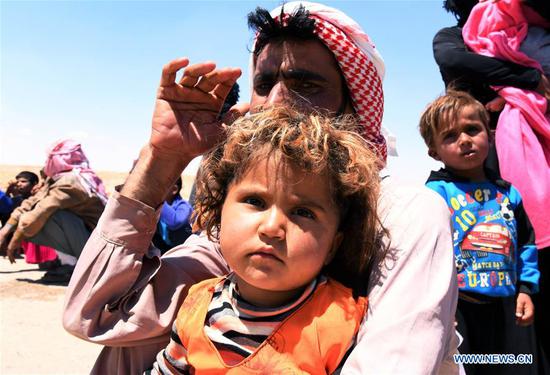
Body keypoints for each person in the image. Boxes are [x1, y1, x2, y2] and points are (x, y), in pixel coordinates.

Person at [63, 3, 458, 374]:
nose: (279, 100)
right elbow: (97, 315)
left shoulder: (404, 212)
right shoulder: (246, 222)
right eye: (265, 83)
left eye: (306, 84)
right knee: (134, 345)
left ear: (352, 106)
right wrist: (163, 159)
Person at [150, 107, 381, 373]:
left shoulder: (341, 320)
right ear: (218, 212)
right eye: (255, 201)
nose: (272, 228)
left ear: (333, 245)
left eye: (303, 213)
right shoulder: (197, 306)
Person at [419, 90, 540, 374]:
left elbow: (526, 244)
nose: (464, 140)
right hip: (458, 309)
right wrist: (439, 306)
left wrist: (526, 289)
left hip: (505, 306)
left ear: (490, 133)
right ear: (434, 151)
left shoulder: (509, 193)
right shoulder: (434, 194)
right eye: (450, 136)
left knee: (511, 366)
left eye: (472, 129)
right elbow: (427, 253)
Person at [0, 139, 107, 283]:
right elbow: (29, 203)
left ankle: (71, 265)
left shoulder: (71, 182)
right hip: (85, 239)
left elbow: (40, 211)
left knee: (51, 216)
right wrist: (4, 231)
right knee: (35, 216)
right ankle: (66, 260)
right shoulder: (59, 180)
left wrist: (16, 239)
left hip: (95, 245)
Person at [152, 176, 193, 253]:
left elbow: (175, 221)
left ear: (174, 190)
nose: (156, 190)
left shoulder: (184, 206)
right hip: (165, 246)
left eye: (159, 186)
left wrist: (160, 201)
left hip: (184, 250)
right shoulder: (160, 206)